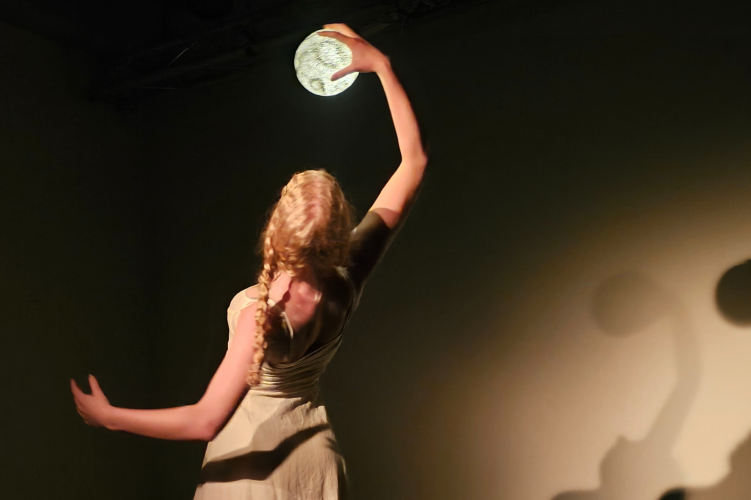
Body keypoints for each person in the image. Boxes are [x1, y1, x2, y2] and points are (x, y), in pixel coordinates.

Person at [70, 23, 427, 499]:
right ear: (339, 229)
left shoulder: (262, 314)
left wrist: (110, 418)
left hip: (254, 470)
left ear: (278, 224)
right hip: (315, 466)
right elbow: (414, 163)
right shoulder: (348, 276)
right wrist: (381, 65)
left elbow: (205, 420)